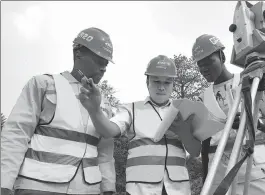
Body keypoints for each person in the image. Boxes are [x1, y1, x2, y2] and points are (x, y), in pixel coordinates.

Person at [1, 27, 116, 195]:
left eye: (106, 63)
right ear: (78, 53)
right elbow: (16, 134)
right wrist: (4, 183)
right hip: (38, 186)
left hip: (87, 189)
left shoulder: (104, 104)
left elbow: (105, 152)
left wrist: (108, 188)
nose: (103, 68)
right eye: (99, 60)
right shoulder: (44, 85)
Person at [77, 55, 202, 195]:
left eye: (167, 82)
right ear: (147, 82)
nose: (161, 87)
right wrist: (95, 110)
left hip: (178, 189)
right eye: (156, 81)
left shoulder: (183, 111)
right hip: (140, 189)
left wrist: (183, 131)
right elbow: (109, 131)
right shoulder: (131, 109)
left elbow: (196, 151)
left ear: (173, 84)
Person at [192, 34, 265, 195]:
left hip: (256, 173)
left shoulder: (252, 79)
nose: (204, 68)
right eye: (200, 65)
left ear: (221, 56)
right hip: (220, 180)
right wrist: (206, 179)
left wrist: (253, 122)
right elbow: (205, 145)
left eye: (209, 61)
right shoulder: (202, 98)